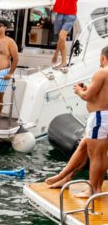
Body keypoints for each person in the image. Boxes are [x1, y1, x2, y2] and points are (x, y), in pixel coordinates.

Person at [45, 46, 108, 196]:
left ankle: (93, 189)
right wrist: (88, 90)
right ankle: (64, 176)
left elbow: (87, 96)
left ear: (102, 58)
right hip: (105, 116)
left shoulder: (101, 72)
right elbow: (101, 96)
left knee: (95, 155)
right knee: (95, 151)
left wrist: (79, 90)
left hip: (99, 118)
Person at [38, 0, 82, 69]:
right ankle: (63, 62)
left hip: (70, 14)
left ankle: (55, 54)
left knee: (62, 36)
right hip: (60, 13)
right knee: (60, 39)